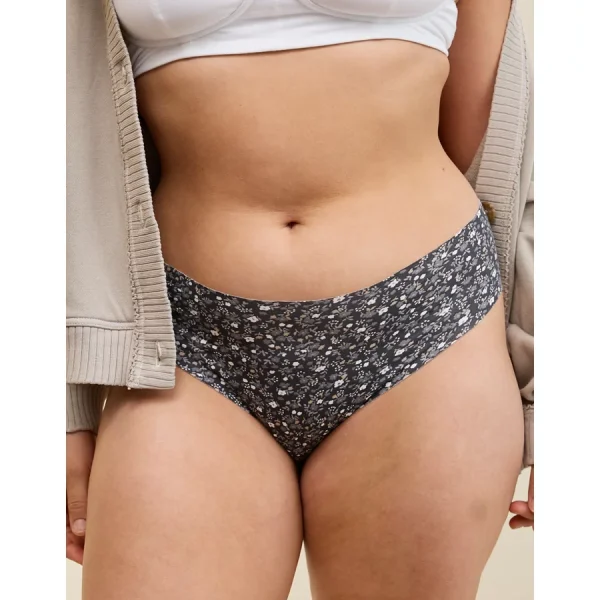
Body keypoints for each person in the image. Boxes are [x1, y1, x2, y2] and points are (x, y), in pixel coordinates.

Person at [66, 0, 534, 598]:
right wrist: (63, 411)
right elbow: (50, 135)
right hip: (186, 339)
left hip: (425, 320)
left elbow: (507, 154)